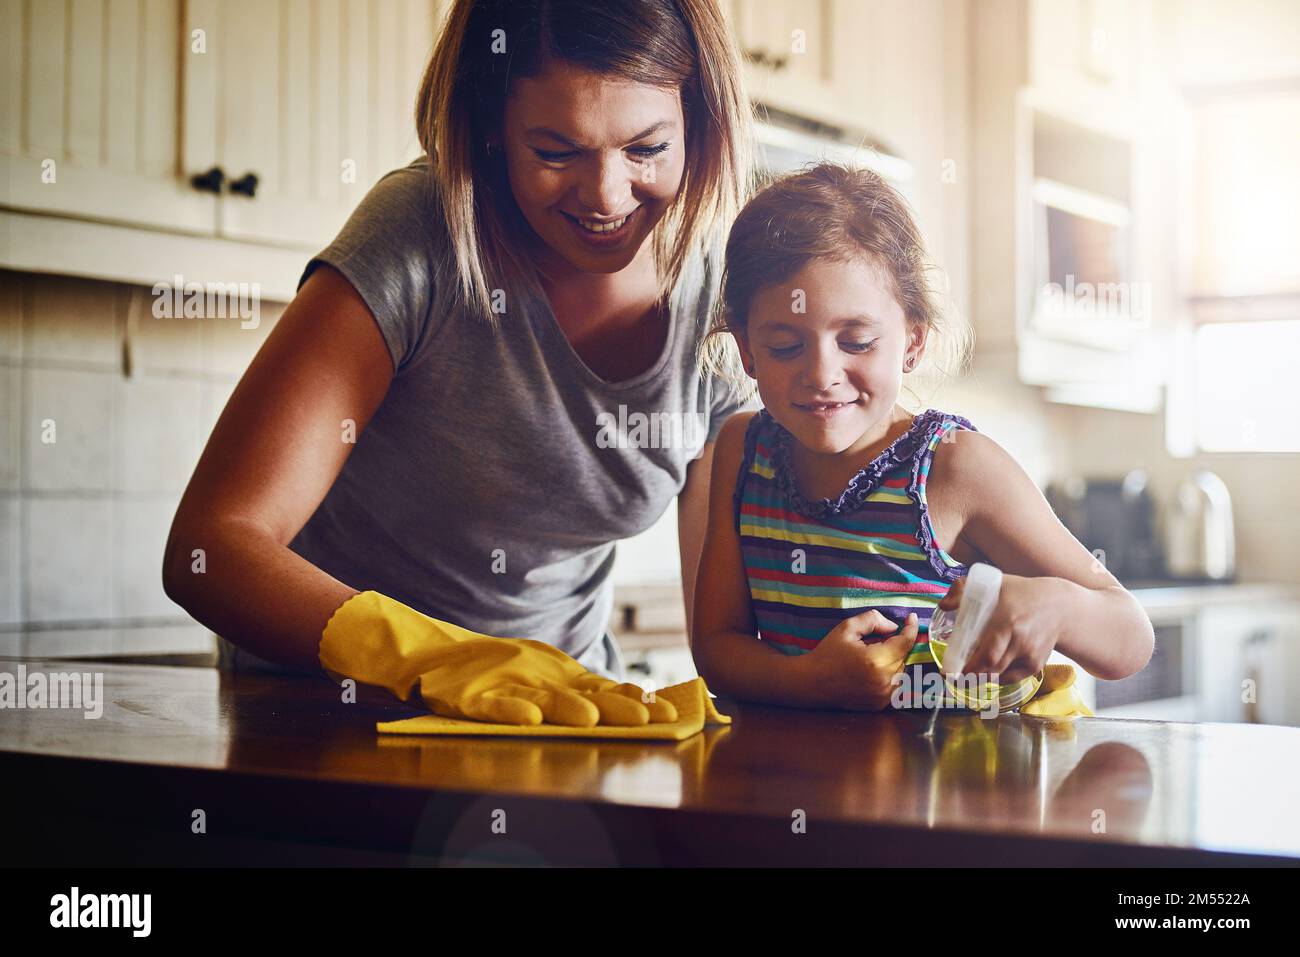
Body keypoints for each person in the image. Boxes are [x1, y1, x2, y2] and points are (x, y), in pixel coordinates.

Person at [162, 0, 755, 706]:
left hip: (556, 721)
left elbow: (723, 637)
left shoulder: (724, 299)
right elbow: (211, 549)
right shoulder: (421, 234)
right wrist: (439, 661)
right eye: (555, 151)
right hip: (325, 720)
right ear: (491, 131)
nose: (605, 195)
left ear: (701, 124)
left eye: (647, 149)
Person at [691, 163, 1155, 712]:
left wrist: (1055, 604)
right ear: (745, 349)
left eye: (857, 341)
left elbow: (1130, 637)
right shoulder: (744, 450)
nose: (821, 374)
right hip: (788, 791)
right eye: (786, 347)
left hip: (942, 790)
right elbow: (717, 649)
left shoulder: (955, 468)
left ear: (912, 341)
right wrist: (810, 679)